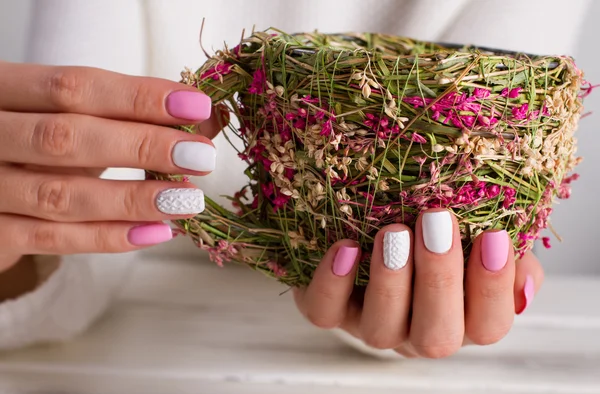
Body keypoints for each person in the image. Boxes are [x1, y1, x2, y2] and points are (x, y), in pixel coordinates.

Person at [0, 0, 591, 358]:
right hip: (129, 346)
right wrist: (19, 255)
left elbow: (498, 118)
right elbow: (68, 223)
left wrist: (418, 306)